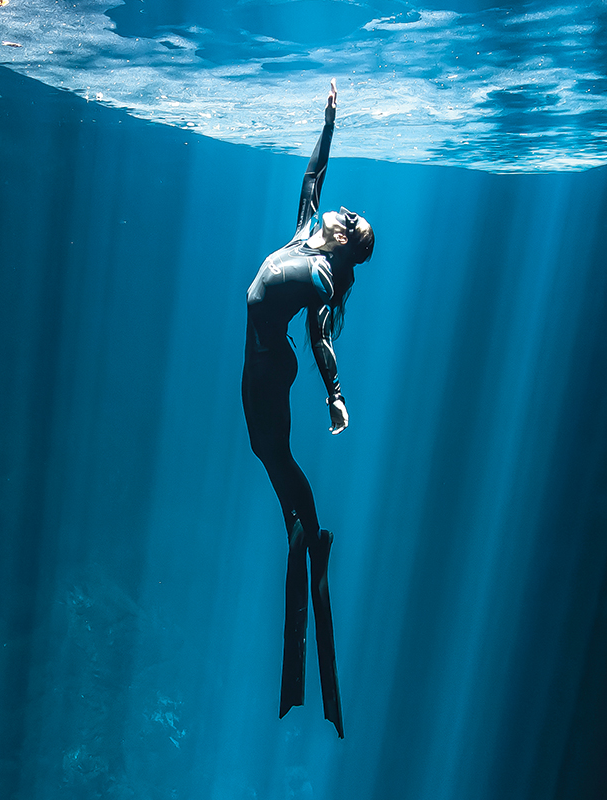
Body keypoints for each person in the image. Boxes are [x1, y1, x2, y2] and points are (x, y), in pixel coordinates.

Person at [242, 79, 374, 740]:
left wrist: (336, 394)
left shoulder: (322, 276)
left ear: (344, 244)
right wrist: (329, 117)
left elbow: (321, 339)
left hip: (270, 367)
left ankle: (306, 527)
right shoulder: (304, 235)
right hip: (264, 363)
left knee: (274, 451)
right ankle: (298, 527)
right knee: (266, 451)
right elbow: (314, 171)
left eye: (349, 220)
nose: (340, 209)